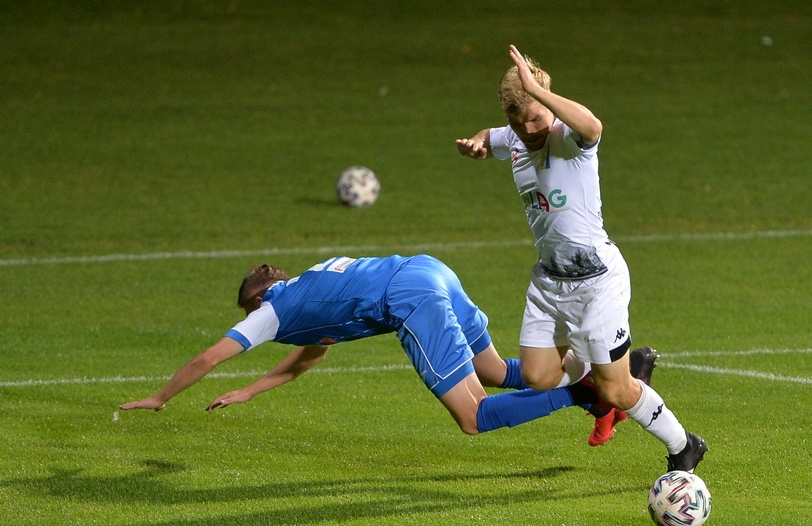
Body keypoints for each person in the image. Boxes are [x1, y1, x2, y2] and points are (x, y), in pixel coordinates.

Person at [455, 45, 706, 471]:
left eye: (534, 116)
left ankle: (684, 445)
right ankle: (602, 376)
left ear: (547, 103)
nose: (528, 128)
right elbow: (493, 136)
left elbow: (592, 125)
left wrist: (538, 91)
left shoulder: (569, 140)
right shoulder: (515, 138)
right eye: (518, 121)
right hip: (550, 281)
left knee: (618, 392)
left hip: (597, 281)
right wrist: (478, 142)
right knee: (538, 376)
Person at [119, 254, 617, 438]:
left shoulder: (270, 311)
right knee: (489, 370)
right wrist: (250, 391)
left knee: (474, 417)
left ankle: (588, 393)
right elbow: (312, 355)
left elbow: (209, 356)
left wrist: (160, 397)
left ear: (252, 303)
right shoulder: (308, 288)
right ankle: (603, 368)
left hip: (410, 296)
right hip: (431, 269)